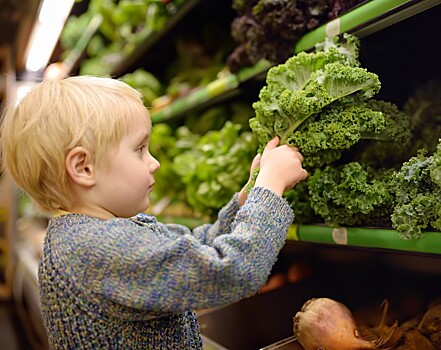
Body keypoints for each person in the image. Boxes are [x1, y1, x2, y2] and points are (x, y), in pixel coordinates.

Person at [0, 75, 308, 349]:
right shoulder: (95, 249)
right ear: (83, 167)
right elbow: (232, 271)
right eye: (139, 149)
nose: (154, 162)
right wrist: (270, 187)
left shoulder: (94, 232)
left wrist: (248, 198)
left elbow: (193, 246)